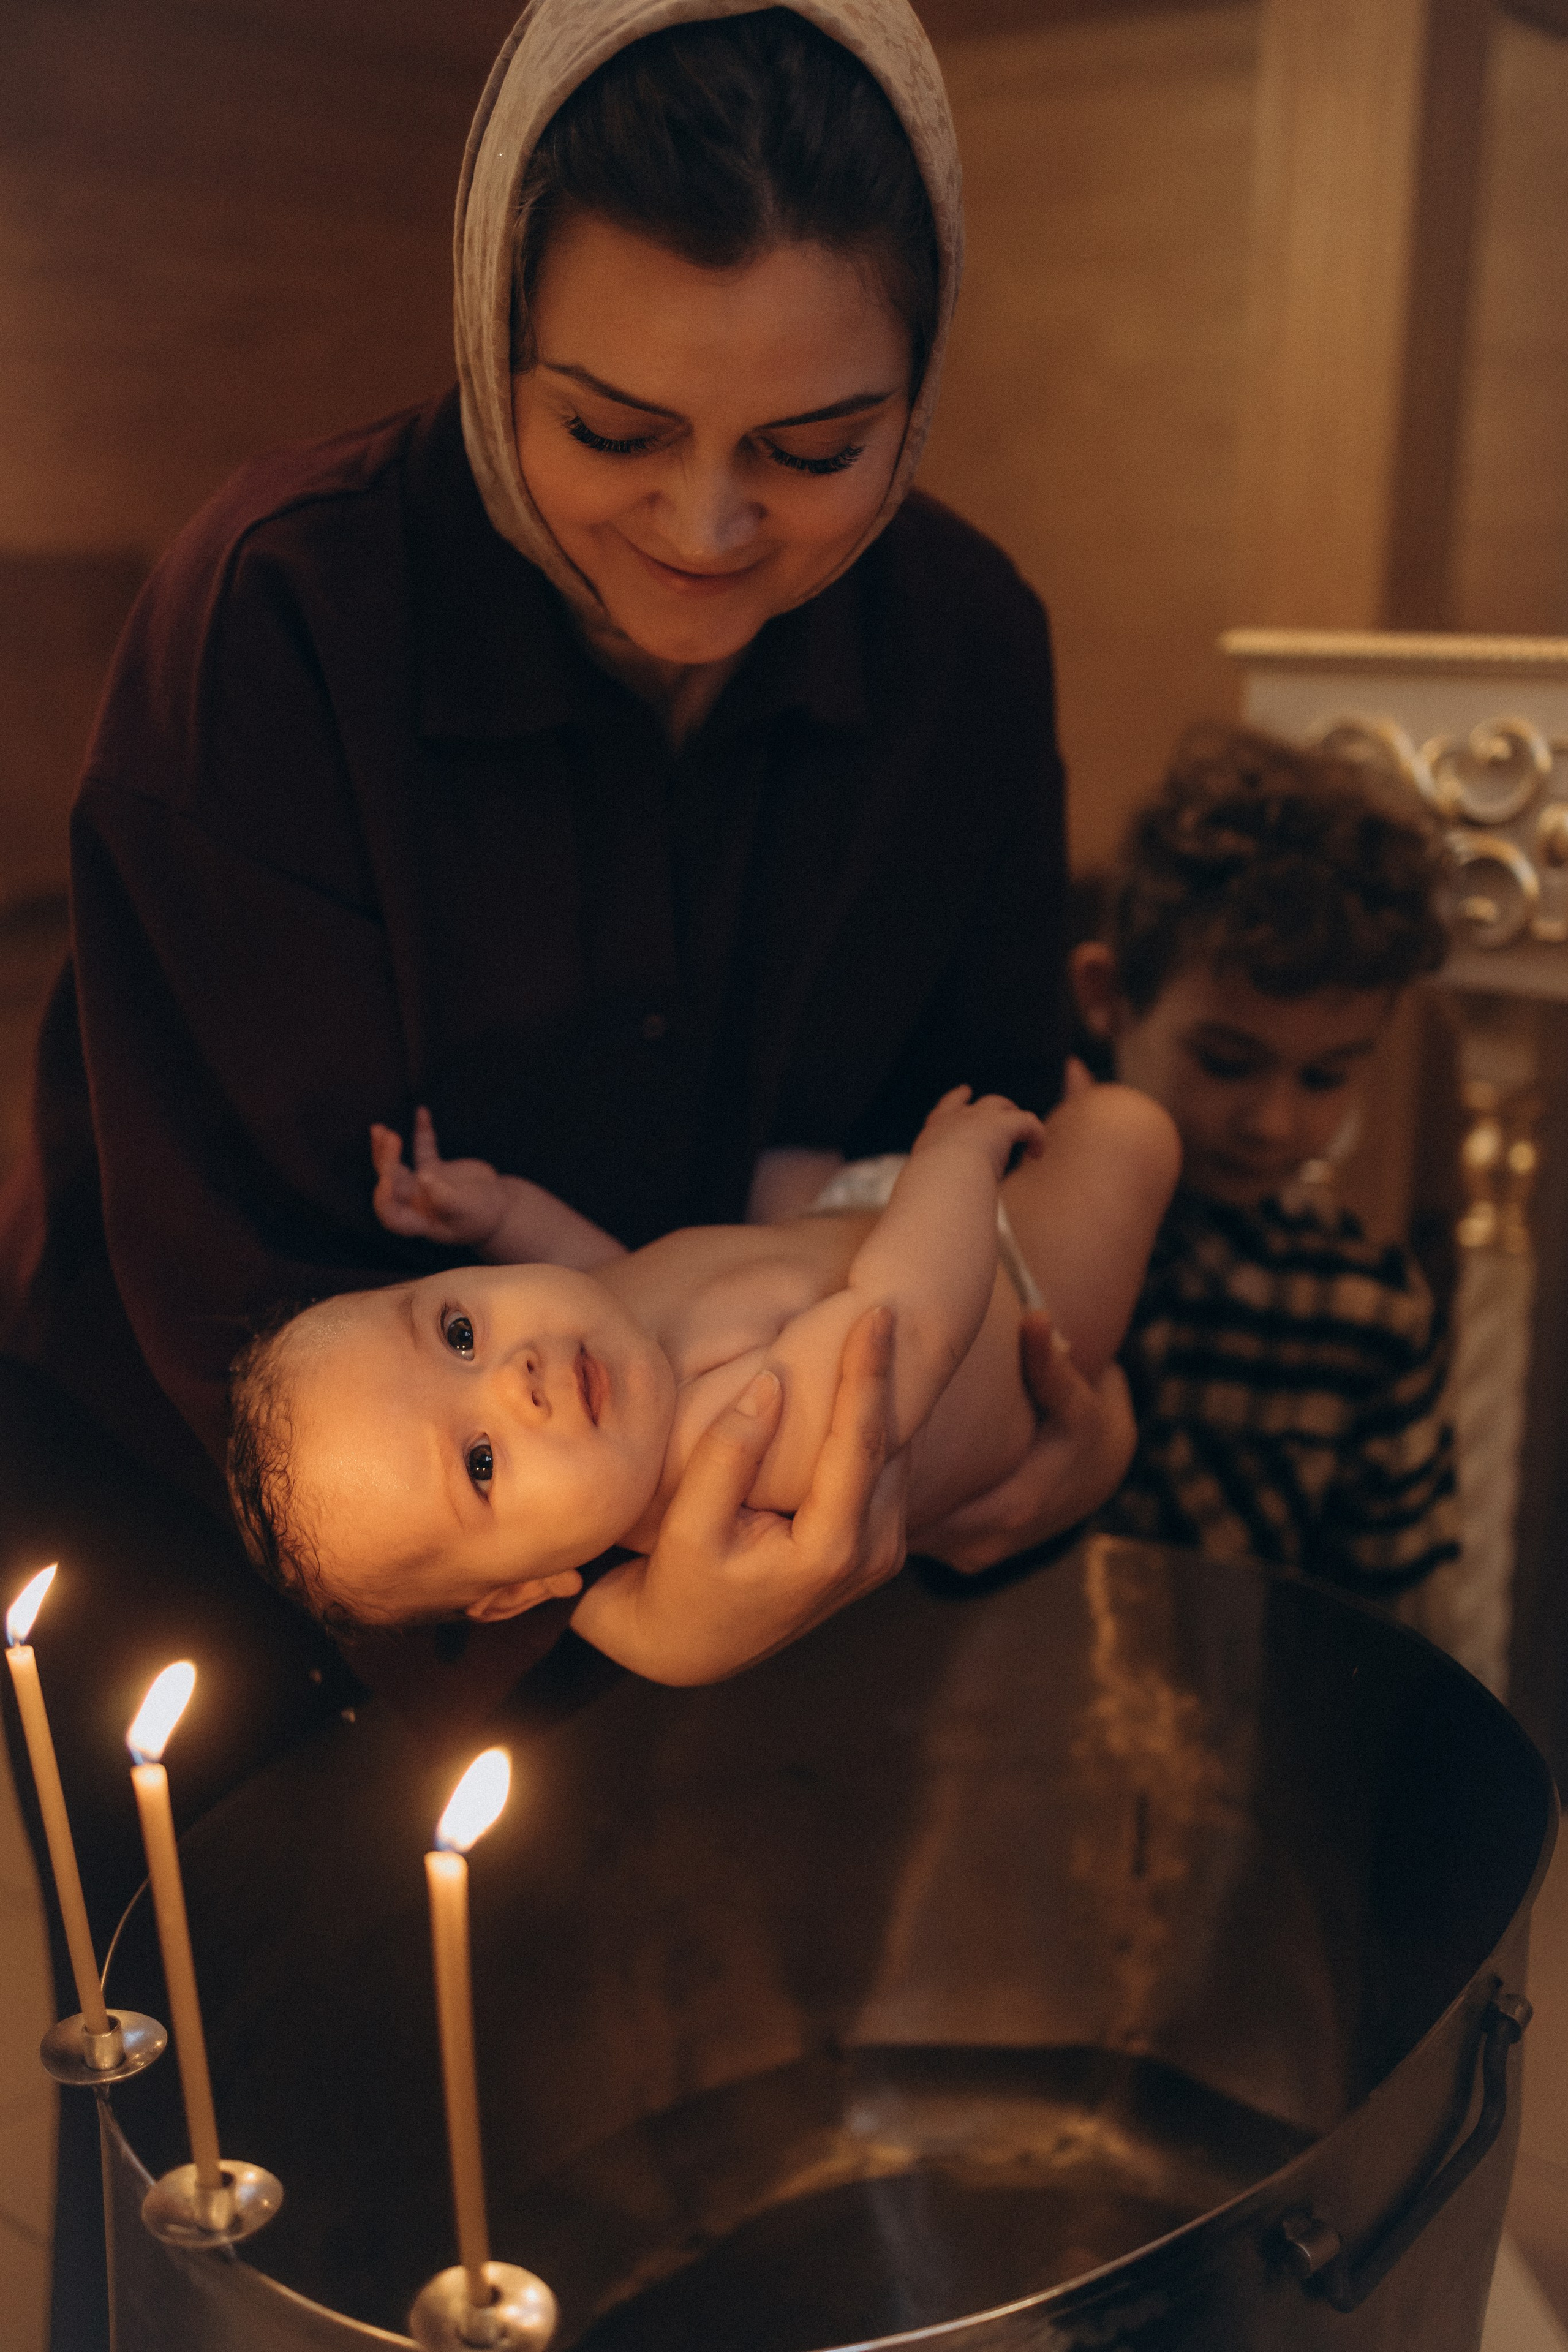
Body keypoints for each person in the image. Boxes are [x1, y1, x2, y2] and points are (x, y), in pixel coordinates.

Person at [0, 0, 1137, 1692]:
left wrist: (1064, 1433)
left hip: (778, 1533)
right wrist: (625, 1624)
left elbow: (981, 1130)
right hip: (240, 1575)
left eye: (813, 451)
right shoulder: (289, 609)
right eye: (613, 432)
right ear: (487, 332)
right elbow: (234, 1279)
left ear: (921, 388)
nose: (704, 531)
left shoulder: (962, 644)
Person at [227, 1082, 1180, 1672]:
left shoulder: (600, 1354)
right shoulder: (727, 1454)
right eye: (480, 1464)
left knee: (776, 1161)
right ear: (521, 1591)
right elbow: (910, 1322)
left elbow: (603, 1265)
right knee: (1128, 1130)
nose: (515, 1376)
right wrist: (957, 1163)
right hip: (1008, 1288)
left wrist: (498, 1209)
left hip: (842, 1215)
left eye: (459, 1328)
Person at [1073, 725, 1460, 1593]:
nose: (1274, 1123)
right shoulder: (1016, 1236)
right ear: (1108, 998)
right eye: (1225, 1061)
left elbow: (1396, 1617)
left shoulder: (1365, 1315)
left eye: (1325, 1077)